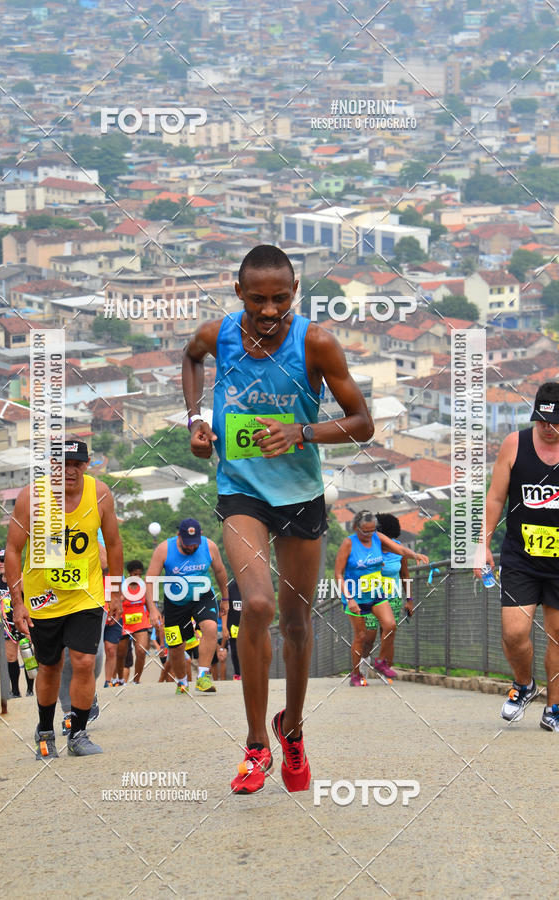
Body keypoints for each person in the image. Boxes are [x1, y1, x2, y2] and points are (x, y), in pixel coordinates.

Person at [182, 244, 374, 794]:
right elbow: (191, 359)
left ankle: (291, 729)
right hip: (242, 491)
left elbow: (364, 423)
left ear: (295, 294)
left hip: (301, 496)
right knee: (258, 604)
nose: (269, 310)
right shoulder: (217, 335)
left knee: (295, 621)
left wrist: (303, 432)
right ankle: (254, 746)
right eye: (259, 299)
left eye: (281, 299)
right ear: (238, 292)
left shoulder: (315, 343)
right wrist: (195, 420)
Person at [5, 438, 123, 759]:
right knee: (50, 665)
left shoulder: (99, 494)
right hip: (44, 597)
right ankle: (45, 731)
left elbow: (113, 544)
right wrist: (18, 602)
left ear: (87, 465)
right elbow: (14, 550)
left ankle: (78, 732)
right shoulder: (31, 497)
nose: (69, 471)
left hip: (86, 593)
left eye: (77, 464)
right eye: (62, 465)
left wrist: (114, 590)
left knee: (84, 661)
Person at [477, 382, 559, 730]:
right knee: (514, 633)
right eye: (542, 420)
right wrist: (483, 542)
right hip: (520, 557)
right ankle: (524, 684)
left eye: (554, 422)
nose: (547, 427)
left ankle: (554, 707)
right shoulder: (515, 444)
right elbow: (496, 498)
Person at [335, 511, 428, 685]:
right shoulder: (349, 544)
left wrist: (414, 555)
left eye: (372, 531)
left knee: (390, 625)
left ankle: (381, 662)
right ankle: (356, 675)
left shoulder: (377, 538)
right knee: (361, 636)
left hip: (377, 593)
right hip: (356, 595)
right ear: (356, 528)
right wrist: (349, 599)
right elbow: (338, 574)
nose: (369, 535)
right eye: (365, 532)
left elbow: (399, 549)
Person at [146, 519, 228, 694]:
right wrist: (152, 608)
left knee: (211, 627)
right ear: (179, 536)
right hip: (175, 602)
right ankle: (182, 681)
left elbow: (220, 571)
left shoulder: (209, 546)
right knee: (176, 647)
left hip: (202, 596)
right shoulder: (164, 549)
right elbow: (150, 579)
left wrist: (225, 598)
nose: (191, 548)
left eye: (195, 543)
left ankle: (203, 677)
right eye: (187, 544)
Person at [352, 513, 416, 685]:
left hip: (393, 597)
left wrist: (409, 599)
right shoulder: (370, 548)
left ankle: (384, 668)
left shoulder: (398, 550)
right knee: (368, 637)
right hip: (371, 597)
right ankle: (363, 665)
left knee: (388, 635)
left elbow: (405, 575)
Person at [0, 549, 35, 698]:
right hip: (7, 625)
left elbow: (30, 600)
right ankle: (15, 691)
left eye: (2, 560)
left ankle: (30, 689)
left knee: (27, 654)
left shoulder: (21, 578)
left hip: (22, 622)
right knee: (11, 657)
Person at [116, 560, 160, 684]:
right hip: (124, 622)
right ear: (129, 574)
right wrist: (122, 597)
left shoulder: (144, 588)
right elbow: (114, 602)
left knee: (141, 651)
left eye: (140, 574)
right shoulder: (122, 587)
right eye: (135, 574)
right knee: (120, 654)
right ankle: (120, 679)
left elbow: (150, 604)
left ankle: (136, 680)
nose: (138, 577)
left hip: (140, 622)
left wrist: (155, 616)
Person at [227, 579, 242, 680]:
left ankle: (250, 673)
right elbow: (225, 609)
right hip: (234, 626)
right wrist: (225, 627)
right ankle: (237, 674)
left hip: (249, 625)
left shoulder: (253, 584)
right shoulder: (231, 586)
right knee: (235, 650)